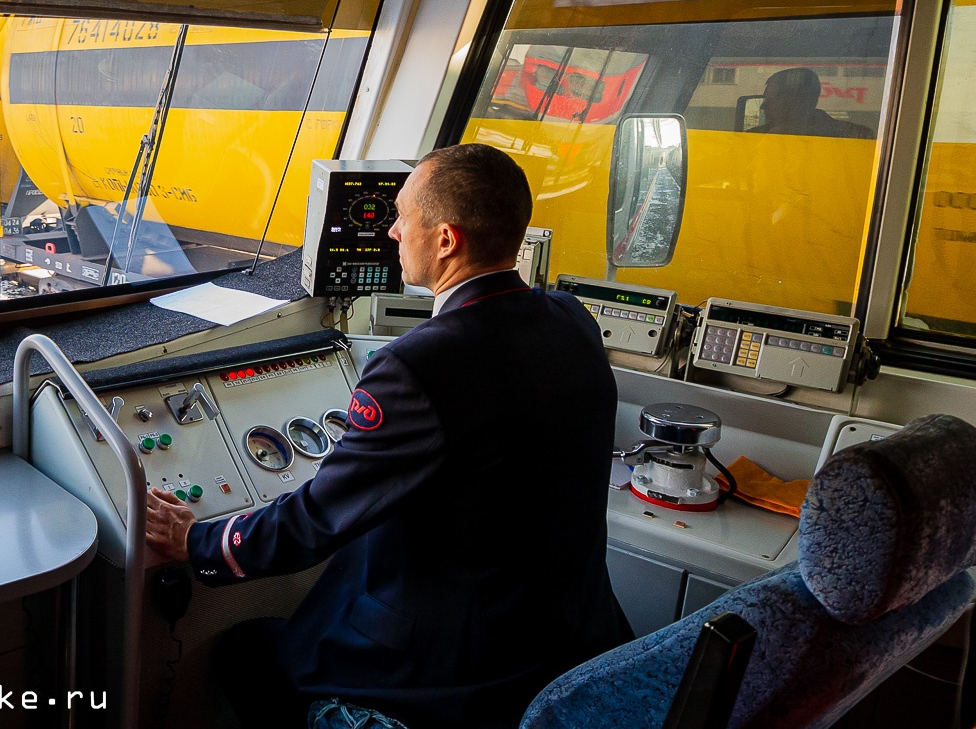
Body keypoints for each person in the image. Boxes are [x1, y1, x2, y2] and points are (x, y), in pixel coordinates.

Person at [144, 143, 631, 729]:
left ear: (446, 239)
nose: (394, 231)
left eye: (403, 216)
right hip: (565, 646)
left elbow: (315, 520)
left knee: (248, 653)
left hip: (452, 675)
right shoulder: (572, 320)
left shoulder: (416, 367)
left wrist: (199, 541)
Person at [748, 67, 873, 138]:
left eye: (772, 99)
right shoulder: (853, 134)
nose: (763, 106)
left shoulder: (855, 136)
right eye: (765, 99)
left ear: (798, 102)